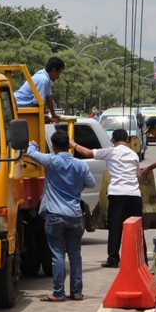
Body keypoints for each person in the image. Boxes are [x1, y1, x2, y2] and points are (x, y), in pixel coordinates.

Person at [26, 129, 95, 302]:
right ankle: (77, 292)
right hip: (75, 215)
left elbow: (30, 153)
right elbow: (91, 183)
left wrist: (32, 144)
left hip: (55, 215)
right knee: (74, 254)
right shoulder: (80, 165)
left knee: (57, 254)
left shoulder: (51, 161)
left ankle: (58, 292)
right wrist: (76, 189)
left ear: (54, 147)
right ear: (69, 147)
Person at [70, 128, 146, 268]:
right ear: (128, 140)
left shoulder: (110, 151)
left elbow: (87, 153)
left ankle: (113, 259)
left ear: (113, 140)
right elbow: (136, 174)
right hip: (134, 195)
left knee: (115, 227)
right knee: (137, 228)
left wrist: (73, 144)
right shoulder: (134, 155)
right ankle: (142, 259)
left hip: (117, 194)